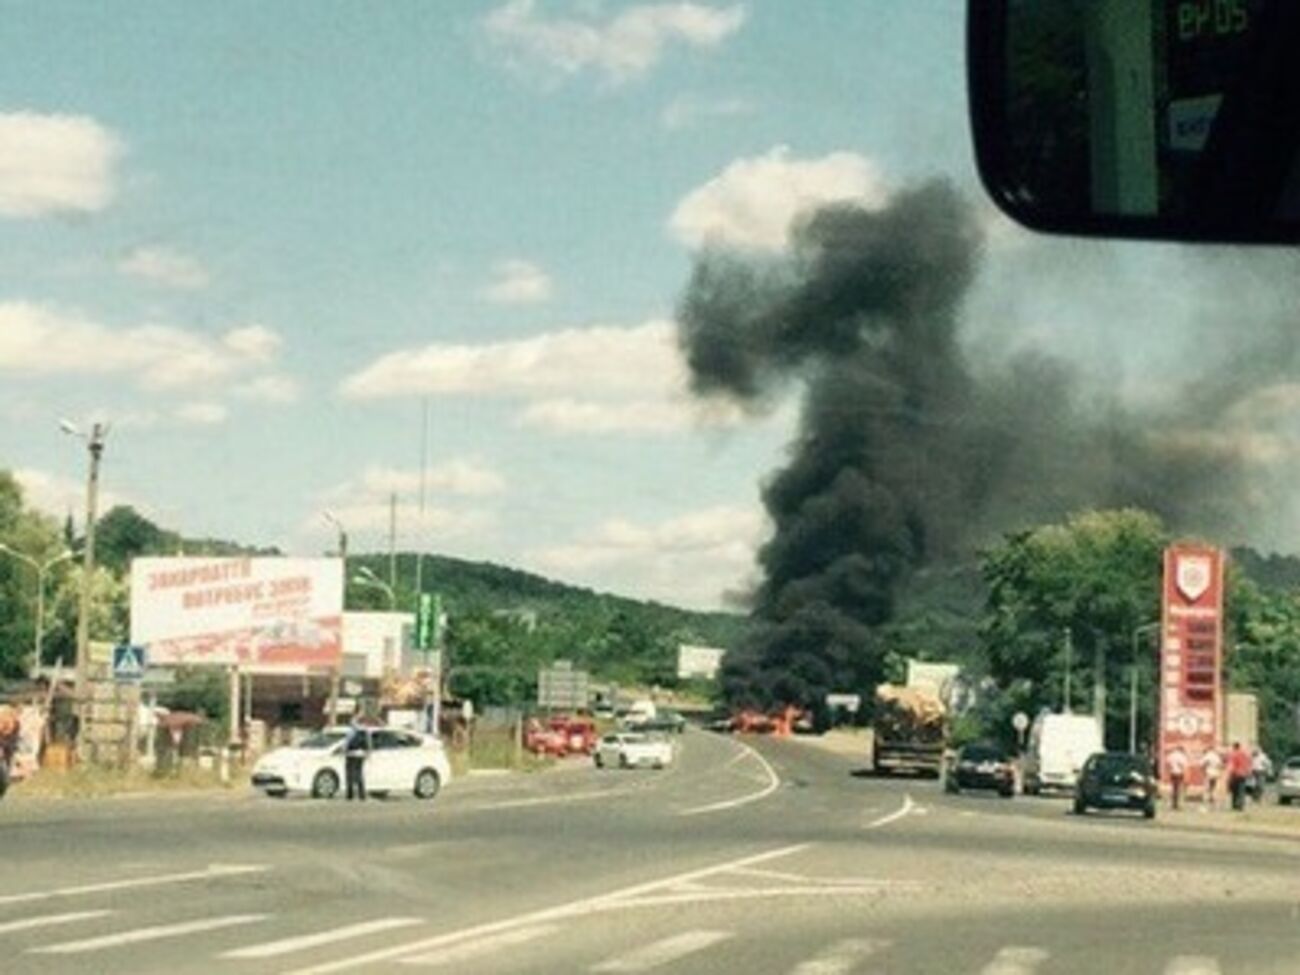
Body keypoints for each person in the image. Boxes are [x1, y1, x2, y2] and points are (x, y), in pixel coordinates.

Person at [344, 727, 368, 801]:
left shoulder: (350, 734)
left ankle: (350, 795)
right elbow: (366, 747)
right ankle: (361, 795)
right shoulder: (363, 735)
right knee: (359, 775)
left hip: (351, 756)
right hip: (360, 756)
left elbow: (346, 746)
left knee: (350, 775)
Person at [1228, 741, 1252, 812]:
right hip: (1244, 774)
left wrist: (1230, 774)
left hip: (1236, 774)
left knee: (1234, 790)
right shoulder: (1245, 754)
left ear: (1234, 747)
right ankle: (1241, 805)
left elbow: (1231, 765)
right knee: (1242, 790)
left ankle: (1235, 805)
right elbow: (1249, 764)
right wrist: (1248, 772)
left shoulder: (1233, 754)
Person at [1201, 747, 1223, 811]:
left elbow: (1202, 764)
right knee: (1214, 790)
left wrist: (1204, 770)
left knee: (1207, 790)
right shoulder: (1216, 756)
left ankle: (1205, 806)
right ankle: (1215, 806)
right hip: (1216, 774)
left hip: (1208, 773)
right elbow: (1220, 765)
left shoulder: (1207, 756)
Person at [1167, 745, 1188, 811]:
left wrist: (1171, 769)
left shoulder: (1171, 755)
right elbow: (1183, 766)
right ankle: (1178, 805)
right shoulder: (1181, 756)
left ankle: (1172, 804)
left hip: (1172, 773)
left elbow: (1168, 763)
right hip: (1179, 773)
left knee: (1173, 789)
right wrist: (1185, 775)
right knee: (1179, 789)